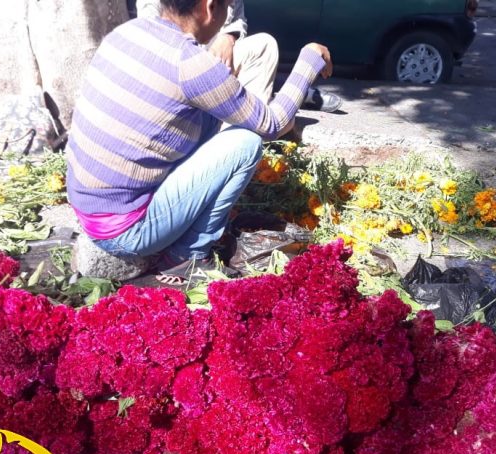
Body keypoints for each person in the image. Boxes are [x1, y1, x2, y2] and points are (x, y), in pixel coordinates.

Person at [66, 0, 333, 284]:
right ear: (210, 7)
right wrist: (310, 58)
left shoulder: (126, 33)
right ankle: (187, 256)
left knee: (210, 114)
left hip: (87, 205)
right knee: (245, 143)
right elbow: (271, 124)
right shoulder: (190, 63)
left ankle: (181, 231)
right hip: (124, 231)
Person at [136, 0, 342, 112]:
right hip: (175, 69)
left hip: (218, 61)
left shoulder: (115, 42)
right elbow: (271, 125)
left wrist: (228, 36)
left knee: (263, 45)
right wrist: (309, 62)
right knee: (248, 140)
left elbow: (237, 19)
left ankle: (275, 91)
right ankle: (285, 94)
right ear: (210, 7)